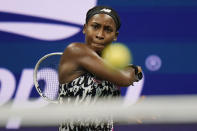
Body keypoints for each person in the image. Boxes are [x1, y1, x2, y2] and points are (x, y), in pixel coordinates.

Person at [58, 5, 142, 131]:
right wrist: (134, 70)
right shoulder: (75, 51)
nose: (100, 35)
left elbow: (109, 117)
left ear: (115, 35)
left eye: (108, 29)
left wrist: (131, 114)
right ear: (85, 28)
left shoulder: (111, 73)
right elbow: (124, 78)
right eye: (95, 26)